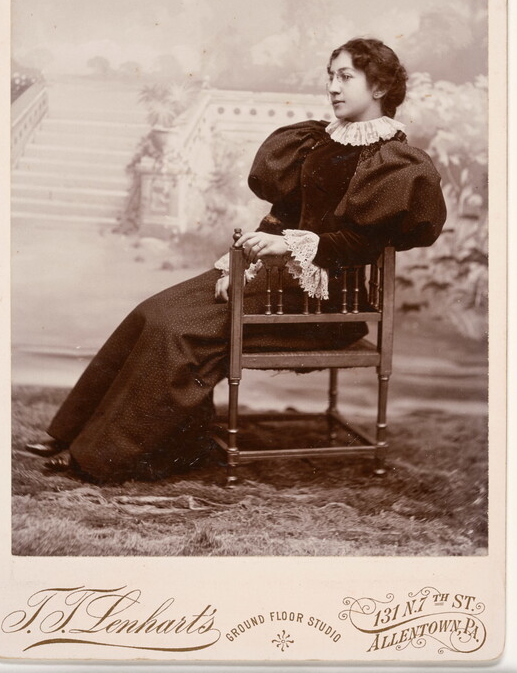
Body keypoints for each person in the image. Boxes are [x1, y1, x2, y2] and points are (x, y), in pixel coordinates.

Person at [26, 38, 447, 483]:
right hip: (279, 282)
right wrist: (242, 262)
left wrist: (292, 247)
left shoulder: (394, 159)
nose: (333, 87)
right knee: (153, 311)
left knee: (178, 331)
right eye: (330, 76)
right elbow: (282, 216)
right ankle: (73, 432)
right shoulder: (317, 140)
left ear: (379, 86)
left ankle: (105, 455)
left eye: (346, 77)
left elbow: (365, 242)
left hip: (327, 304)